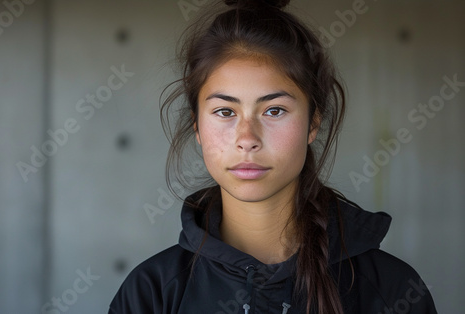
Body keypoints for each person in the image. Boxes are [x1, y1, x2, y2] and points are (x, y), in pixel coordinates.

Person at [109, 0, 437, 313]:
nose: (247, 139)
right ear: (197, 126)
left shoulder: (392, 291)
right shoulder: (151, 293)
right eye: (225, 111)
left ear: (313, 123)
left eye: (274, 110)